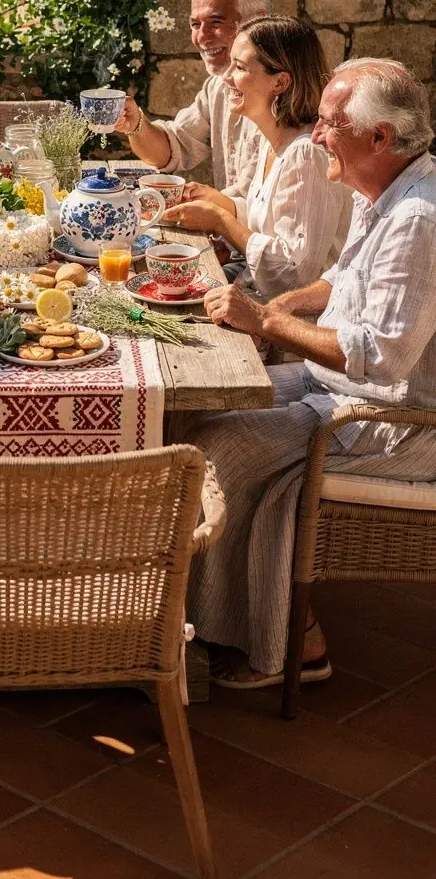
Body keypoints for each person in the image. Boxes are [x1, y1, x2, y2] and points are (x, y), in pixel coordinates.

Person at [182, 58, 436, 688]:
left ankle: (293, 644)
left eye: (328, 124)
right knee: (197, 409)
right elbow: (342, 279)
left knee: (218, 443)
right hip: (343, 389)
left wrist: (267, 323)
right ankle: (199, 612)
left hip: (397, 421)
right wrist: (280, 306)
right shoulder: (390, 191)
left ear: (379, 137)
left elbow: (381, 356)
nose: (316, 136)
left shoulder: (419, 220)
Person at [163, 17, 351, 300]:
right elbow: (273, 223)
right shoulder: (273, 141)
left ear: (280, 82)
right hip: (253, 293)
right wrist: (218, 203)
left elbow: (293, 274)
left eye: (239, 67)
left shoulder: (307, 154)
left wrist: (221, 220)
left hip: (291, 318)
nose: (226, 77)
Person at [114, 0, 272, 196]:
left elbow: (255, 202)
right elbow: (173, 148)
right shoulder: (218, 86)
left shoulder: (285, 92)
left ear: (257, 22)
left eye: (216, 22)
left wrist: (191, 201)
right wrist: (135, 124)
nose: (202, 37)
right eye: (195, 24)